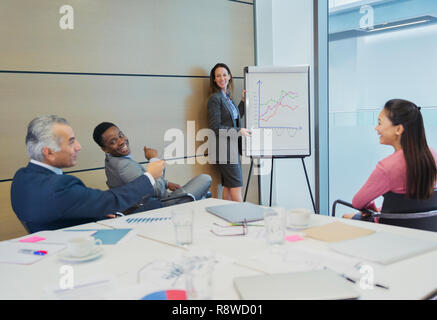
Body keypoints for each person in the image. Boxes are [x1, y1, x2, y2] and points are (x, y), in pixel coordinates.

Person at [10, 115, 165, 233]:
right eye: (71, 141)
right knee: (155, 206)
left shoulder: (20, 178)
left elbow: (60, 212)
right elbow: (111, 200)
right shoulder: (59, 187)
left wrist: (98, 212)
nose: (78, 147)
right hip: (83, 246)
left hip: (58, 242)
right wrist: (150, 176)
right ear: (49, 152)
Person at [343, 99, 437, 221]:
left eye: (380, 123)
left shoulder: (387, 167)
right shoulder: (432, 155)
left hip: (391, 231)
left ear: (398, 129)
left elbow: (358, 202)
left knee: (345, 217)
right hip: (426, 231)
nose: (376, 128)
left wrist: (372, 207)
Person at [92, 122, 211, 206]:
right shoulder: (122, 166)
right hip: (161, 205)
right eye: (113, 141)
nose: (121, 141)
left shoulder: (112, 160)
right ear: (104, 149)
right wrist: (154, 159)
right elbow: (157, 190)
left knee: (204, 195)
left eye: (121, 135)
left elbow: (142, 180)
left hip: (159, 198)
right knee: (205, 179)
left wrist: (166, 183)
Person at [207, 62, 251, 202]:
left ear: (229, 76)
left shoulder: (228, 97)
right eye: (218, 76)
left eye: (224, 75)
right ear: (214, 79)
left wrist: (243, 102)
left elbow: (234, 118)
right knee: (236, 186)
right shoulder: (215, 99)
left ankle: (227, 218)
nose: (222, 78)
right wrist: (239, 131)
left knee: (228, 186)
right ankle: (243, 219)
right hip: (224, 149)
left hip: (231, 147)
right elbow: (215, 127)